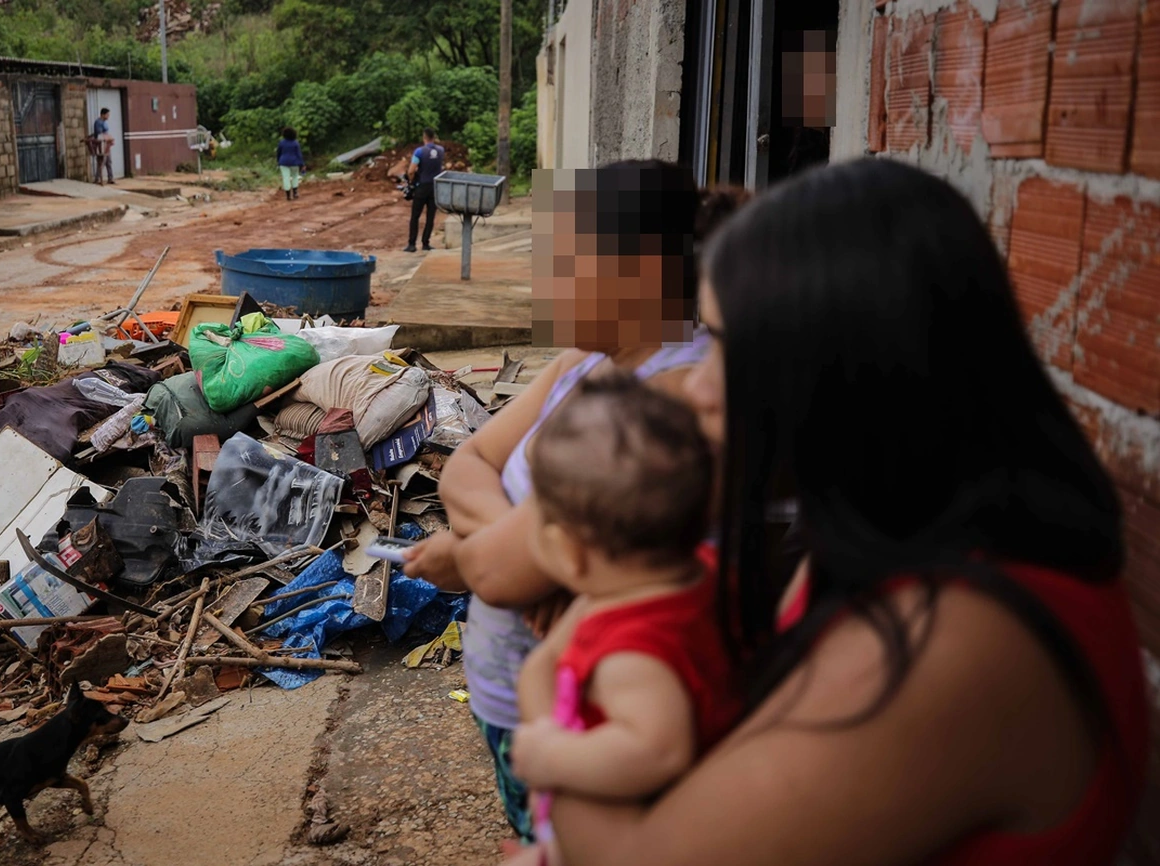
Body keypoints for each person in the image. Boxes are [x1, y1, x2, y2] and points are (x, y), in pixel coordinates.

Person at [535, 158, 1149, 864]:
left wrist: (553, 724)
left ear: (843, 369)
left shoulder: (953, 641)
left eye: (726, 348)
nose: (697, 389)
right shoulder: (890, 535)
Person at [401, 161, 746, 850]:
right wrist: (525, 554)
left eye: (569, 266)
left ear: (642, 272)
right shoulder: (581, 365)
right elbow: (465, 468)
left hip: (600, 720)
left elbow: (497, 572)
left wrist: (476, 559)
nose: (548, 288)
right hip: (519, 692)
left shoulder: (678, 394)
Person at [503, 375, 735, 866]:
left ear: (568, 550)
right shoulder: (697, 575)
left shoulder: (634, 653)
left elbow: (655, 751)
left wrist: (551, 758)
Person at [404, 128, 445, 253]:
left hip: (422, 186)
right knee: (430, 216)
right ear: (434, 137)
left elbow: (411, 170)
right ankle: (426, 243)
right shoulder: (441, 150)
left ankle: (412, 244)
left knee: (415, 216)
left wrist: (411, 181)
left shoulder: (419, 152)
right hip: (435, 187)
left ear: (424, 137)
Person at [276, 127, 305, 201]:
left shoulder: (281, 142)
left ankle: (288, 195)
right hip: (294, 162)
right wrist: (302, 164)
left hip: (283, 162)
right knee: (295, 176)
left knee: (286, 178)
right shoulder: (295, 143)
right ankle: (295, 193)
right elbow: (299, 154)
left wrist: (278, 161)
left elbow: (278, 153)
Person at [92, 108, 114, 185]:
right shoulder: (98, 122)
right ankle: (97, 179)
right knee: (102, 162)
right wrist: (108, 138)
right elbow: (100, 135)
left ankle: (110, 178)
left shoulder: (104, 122)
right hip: (101, 144)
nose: (108, 116)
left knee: (109, 161)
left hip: (107, 143)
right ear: (102, 114)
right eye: (107, 114)